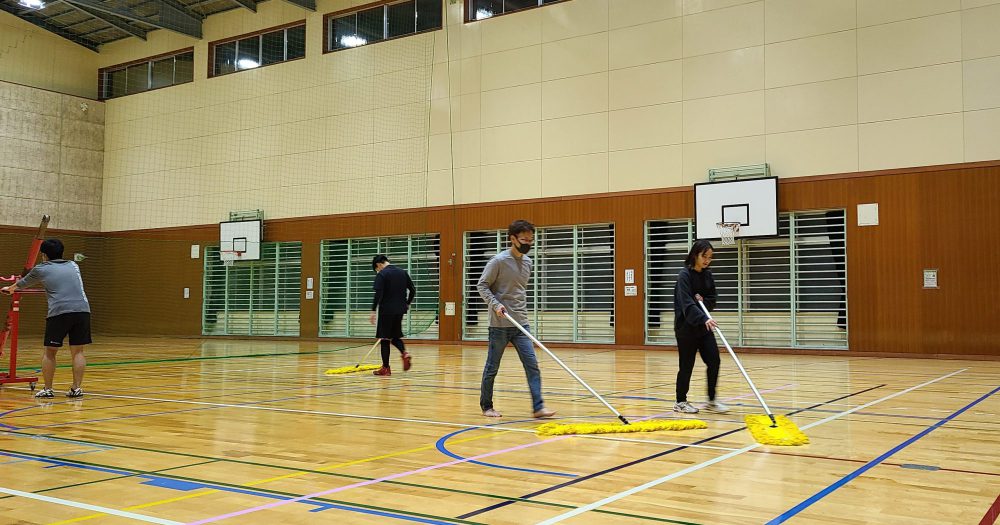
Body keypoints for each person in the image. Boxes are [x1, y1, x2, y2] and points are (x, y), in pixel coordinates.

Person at [476, 219, 555, 419]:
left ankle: (538, 407)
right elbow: (482, 286)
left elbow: (518, 292)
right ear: (513, 239)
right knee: (492, 368)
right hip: (500, 325)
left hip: (521, 324)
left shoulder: (528, 262)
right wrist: (496, 305)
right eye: (524, 239)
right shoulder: (498, 261)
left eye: (531, 240)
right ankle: (487, 406)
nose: (528, 243)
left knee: (532, 365)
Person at [1, 239, 91, 399]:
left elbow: (22, 284)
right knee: (78, 352)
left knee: (50, 352)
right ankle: (76, 388)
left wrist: (9, 289)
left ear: (44, 255)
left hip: (60, 312)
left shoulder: (41, 268)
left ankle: (48, 389)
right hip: (83, 310)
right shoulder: (73, 265)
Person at [673, 239, 729, 414]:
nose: (707, 261)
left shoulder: (707, 275)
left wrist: (705, 303)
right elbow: (686, 304)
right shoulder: (684, 276)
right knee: (686, 365)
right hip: (686, 328)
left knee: (714, 360)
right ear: (695, 254)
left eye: (710, 258)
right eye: (704, 256)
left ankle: (711, 400)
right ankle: (680, 402)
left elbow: (712, 298)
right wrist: (702, 317)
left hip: (703, 327)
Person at [368, 255, 415, 376]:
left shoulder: (382, 274)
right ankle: (404, 353)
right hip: (400, 310)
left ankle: (386, 368)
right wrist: (407, 303)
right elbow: (413, 290)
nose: (377, 271)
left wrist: (373, 311)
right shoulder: (402, 273)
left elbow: (378, 294)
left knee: (384, 339)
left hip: (386, 311)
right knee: (394, 337)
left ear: (378, 265)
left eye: (376, 269)